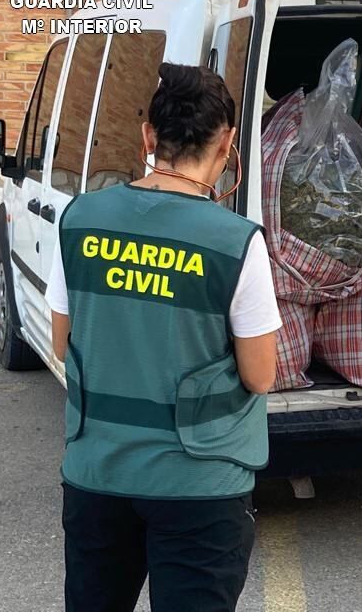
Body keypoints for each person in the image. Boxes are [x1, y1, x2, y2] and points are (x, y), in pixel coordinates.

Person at [46, 63, 282, 612]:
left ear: (148, 136)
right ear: (226, 144)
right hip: (199, 486)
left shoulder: (81, 219)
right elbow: (260, 375)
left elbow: (62, 343)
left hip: (98, 474)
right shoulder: (235, 241)